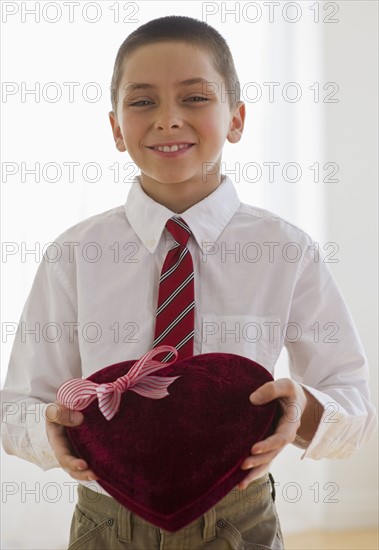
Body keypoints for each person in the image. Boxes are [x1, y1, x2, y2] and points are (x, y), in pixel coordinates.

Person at [1, 15, 376, 550]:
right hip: (105, 524)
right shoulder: (73, 255)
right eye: (142, 101)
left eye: (195, 98)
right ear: (114, 127)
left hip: (238, 523)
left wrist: (303, 413)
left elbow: (355, 406)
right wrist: (50, 429)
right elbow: (17, 404)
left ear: (237, 119)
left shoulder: (287, 251)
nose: (168, 119)